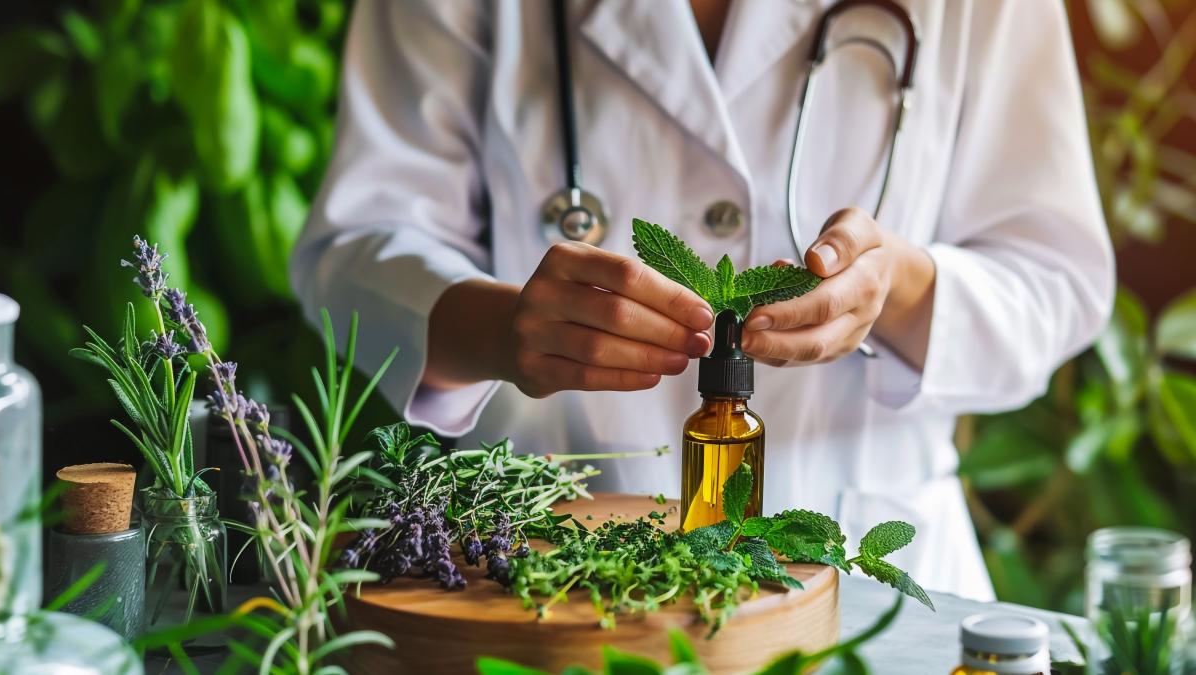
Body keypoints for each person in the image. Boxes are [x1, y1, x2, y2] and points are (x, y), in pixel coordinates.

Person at [291, 0, 1114, 601]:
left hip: (871, 570)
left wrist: (897, 290)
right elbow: (352, 248)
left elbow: (1059, 280)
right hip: (554, 581)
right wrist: (501, 329)